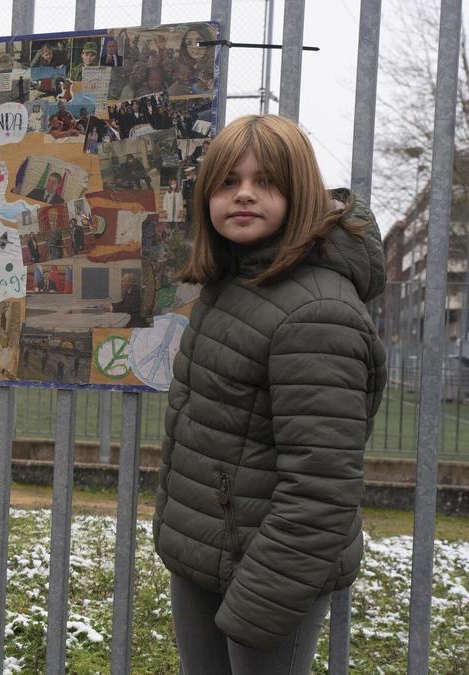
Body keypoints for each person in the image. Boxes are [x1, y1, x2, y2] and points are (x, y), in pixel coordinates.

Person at [154, 115, 386, 672]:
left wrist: (260, 607)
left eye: (267, 182)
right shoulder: (236, 280)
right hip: (210, 554)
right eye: (228, 182)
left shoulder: (316, 312)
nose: (245, 195)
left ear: (299, 192)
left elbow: (321, 490)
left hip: (272, 575)